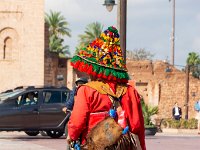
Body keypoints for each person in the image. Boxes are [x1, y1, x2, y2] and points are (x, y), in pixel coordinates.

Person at [67, 26, 146, 150]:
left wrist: (71, 137)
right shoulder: (130, 92)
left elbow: (76, 124)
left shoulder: (87, 90)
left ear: (94, 69)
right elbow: (137, 126)